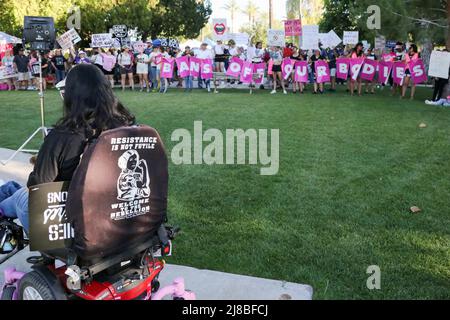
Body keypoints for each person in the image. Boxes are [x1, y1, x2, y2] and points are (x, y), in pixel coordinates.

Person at [0, 64, 136, 233]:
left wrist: (46, 160)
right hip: (115, 215)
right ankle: (8, 191)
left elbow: (37, 188)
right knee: (14, 190)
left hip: (73, 223)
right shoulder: (128, 127)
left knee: (22, 196)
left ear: (72, 96)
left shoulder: (63, 136)